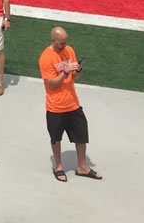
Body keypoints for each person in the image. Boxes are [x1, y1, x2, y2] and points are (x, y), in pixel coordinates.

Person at [40, 27, 100, 180]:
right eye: (61, 43)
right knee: (56, 137)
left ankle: (82, 167)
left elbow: (73, 78)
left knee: (81, 135)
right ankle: (58, 166)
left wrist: (77, 70)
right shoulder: (46, 58)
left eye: (65, 42)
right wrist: (65, 72)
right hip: (55, 106)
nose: (64, 45)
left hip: (72, 103)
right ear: (53, 41)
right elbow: (52, 84)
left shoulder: (69, 50)